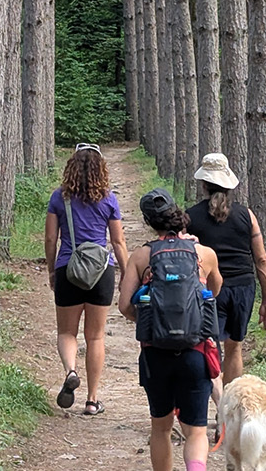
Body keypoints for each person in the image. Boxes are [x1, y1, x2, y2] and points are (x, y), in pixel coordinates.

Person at [120, 188, 223, 471]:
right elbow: (214, 291)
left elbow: (124, 305)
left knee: (161, 429)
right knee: (197, 430)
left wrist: (149, 320)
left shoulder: (142, 256)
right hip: (196, 352)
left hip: (156, 353)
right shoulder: (204, 254)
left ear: (149, 222)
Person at [45, 143, 128, 414]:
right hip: (100, 272)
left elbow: (50, 238)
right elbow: (118, 241)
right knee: (95, 337)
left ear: (71, 168)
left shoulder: (59, 198)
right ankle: (92, 400)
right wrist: (126, 273)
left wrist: (52, 269)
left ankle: (71, 371)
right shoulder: (109, 199)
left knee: (67, 332)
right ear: (100, 169)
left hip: (68, 269)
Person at [185, 152, 266, 387]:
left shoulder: (190, 217)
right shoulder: (247, 215)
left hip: (209, 291)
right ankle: (226, 410)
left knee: (209, 346)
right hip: (243, 288)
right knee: (234, 347)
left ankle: (214, 402)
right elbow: (262, 259)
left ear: (203, 184)